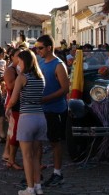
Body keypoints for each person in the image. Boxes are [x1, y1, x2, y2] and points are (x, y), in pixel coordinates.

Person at [6, 48, 46, 195]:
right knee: (36, 155)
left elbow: (13, 99)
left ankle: (30, 188)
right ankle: (38, 186)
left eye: (20, 61)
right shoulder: (40, 77)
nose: (18, 64)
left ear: (25, 62)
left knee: (27, 156)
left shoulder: (22, 77)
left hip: (27, 117)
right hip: (40, 117)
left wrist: (8, 108)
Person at [36, 35, 69, 188]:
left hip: (55, 109)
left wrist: (46, 98)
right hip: (41, 109)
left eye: (40, 48)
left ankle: (57, 173)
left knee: (55, 142)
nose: (38, 51)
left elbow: (65, 89)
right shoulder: (40, 62)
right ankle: (37, 173)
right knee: (38, 142)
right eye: (36, 48)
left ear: (49, 48)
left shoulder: (59, 65)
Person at [3, 47, 23, 170]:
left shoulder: (22, 69)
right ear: (12, 58)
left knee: (14, 131)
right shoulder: (10, 70)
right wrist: (21, 76)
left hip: (22, 104)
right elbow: (10, 86)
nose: (21, 58)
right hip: (14, 103)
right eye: (18, 55)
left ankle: (9, 155)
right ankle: (10, 158)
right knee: (13, 132)